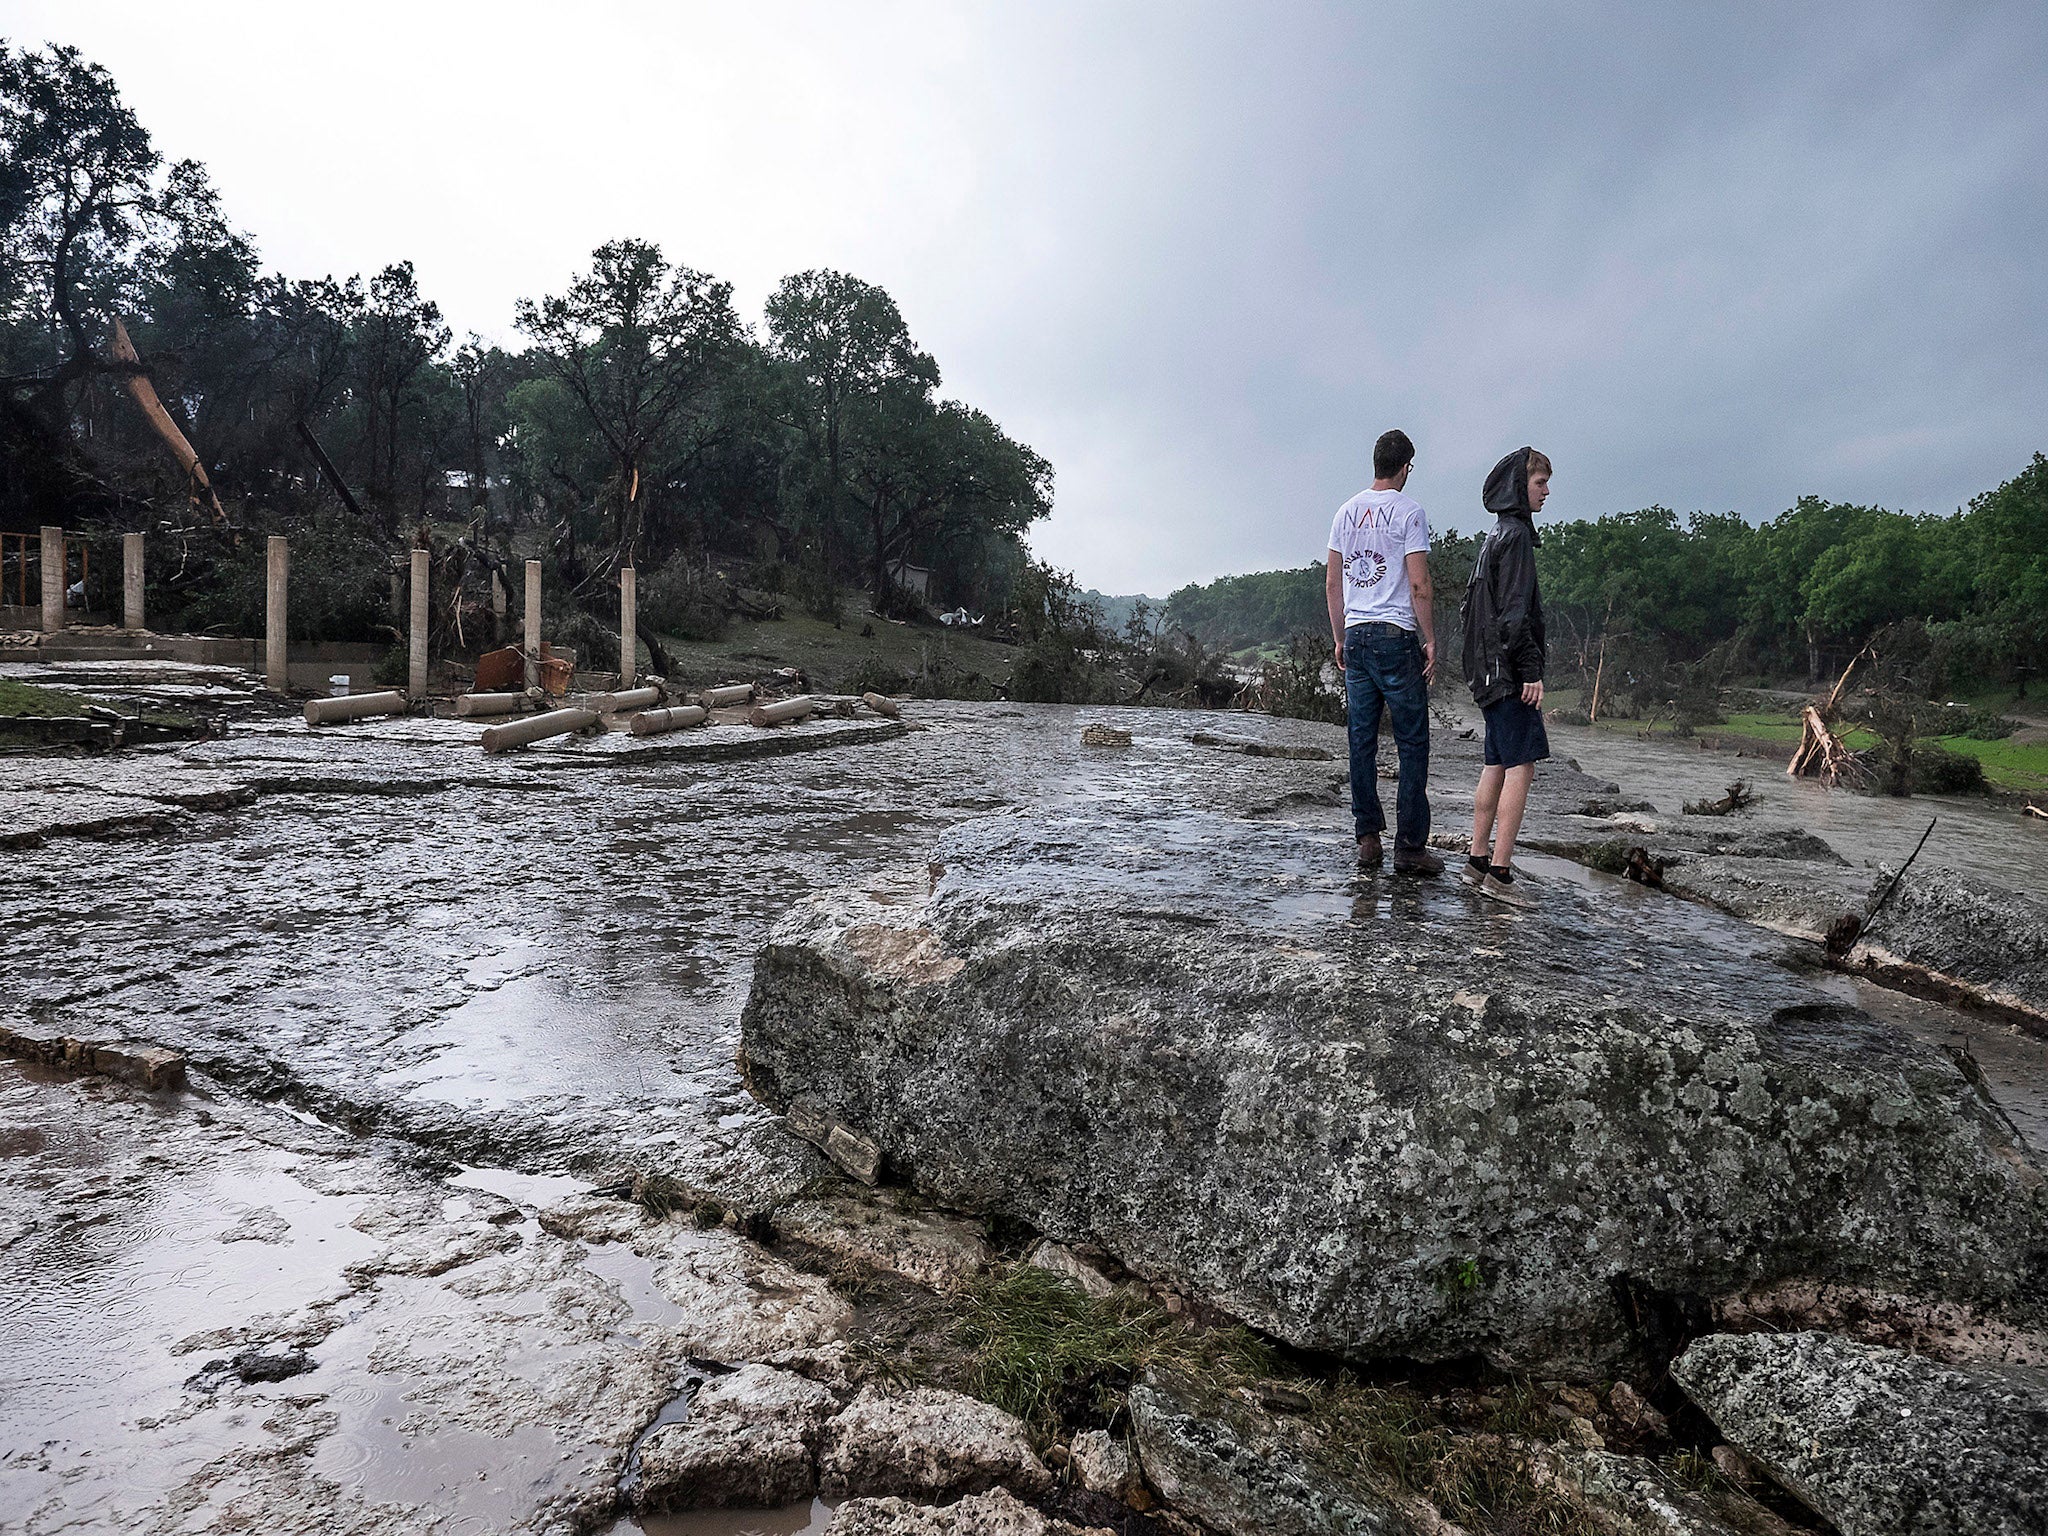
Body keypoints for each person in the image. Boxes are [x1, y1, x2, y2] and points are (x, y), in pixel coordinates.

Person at [1326, 428, 1442, 873]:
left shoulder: (1345, 512)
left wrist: (1340, 636)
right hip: (1396, 634)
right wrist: (1429, 638)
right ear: (1405, 467)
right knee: (1412, 741)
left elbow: (1334, 582)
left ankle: (1368, 839)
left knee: (1361, 739)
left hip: (1356, 633)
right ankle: (1410, 847)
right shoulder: (1410, 512)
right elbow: (1418, 583)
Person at [1459, 446, 1551, 906]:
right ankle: (1500, 871)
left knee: (1495, 762)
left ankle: (1477, 862)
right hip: (1509, 673)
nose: (1547, 492)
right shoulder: (1514, 537)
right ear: (1520, 486)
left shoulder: (1494, 536)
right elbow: (1515, 616)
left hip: (1486, 672)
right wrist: (1531, 672)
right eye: (1540, 483)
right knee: (1522, 765)